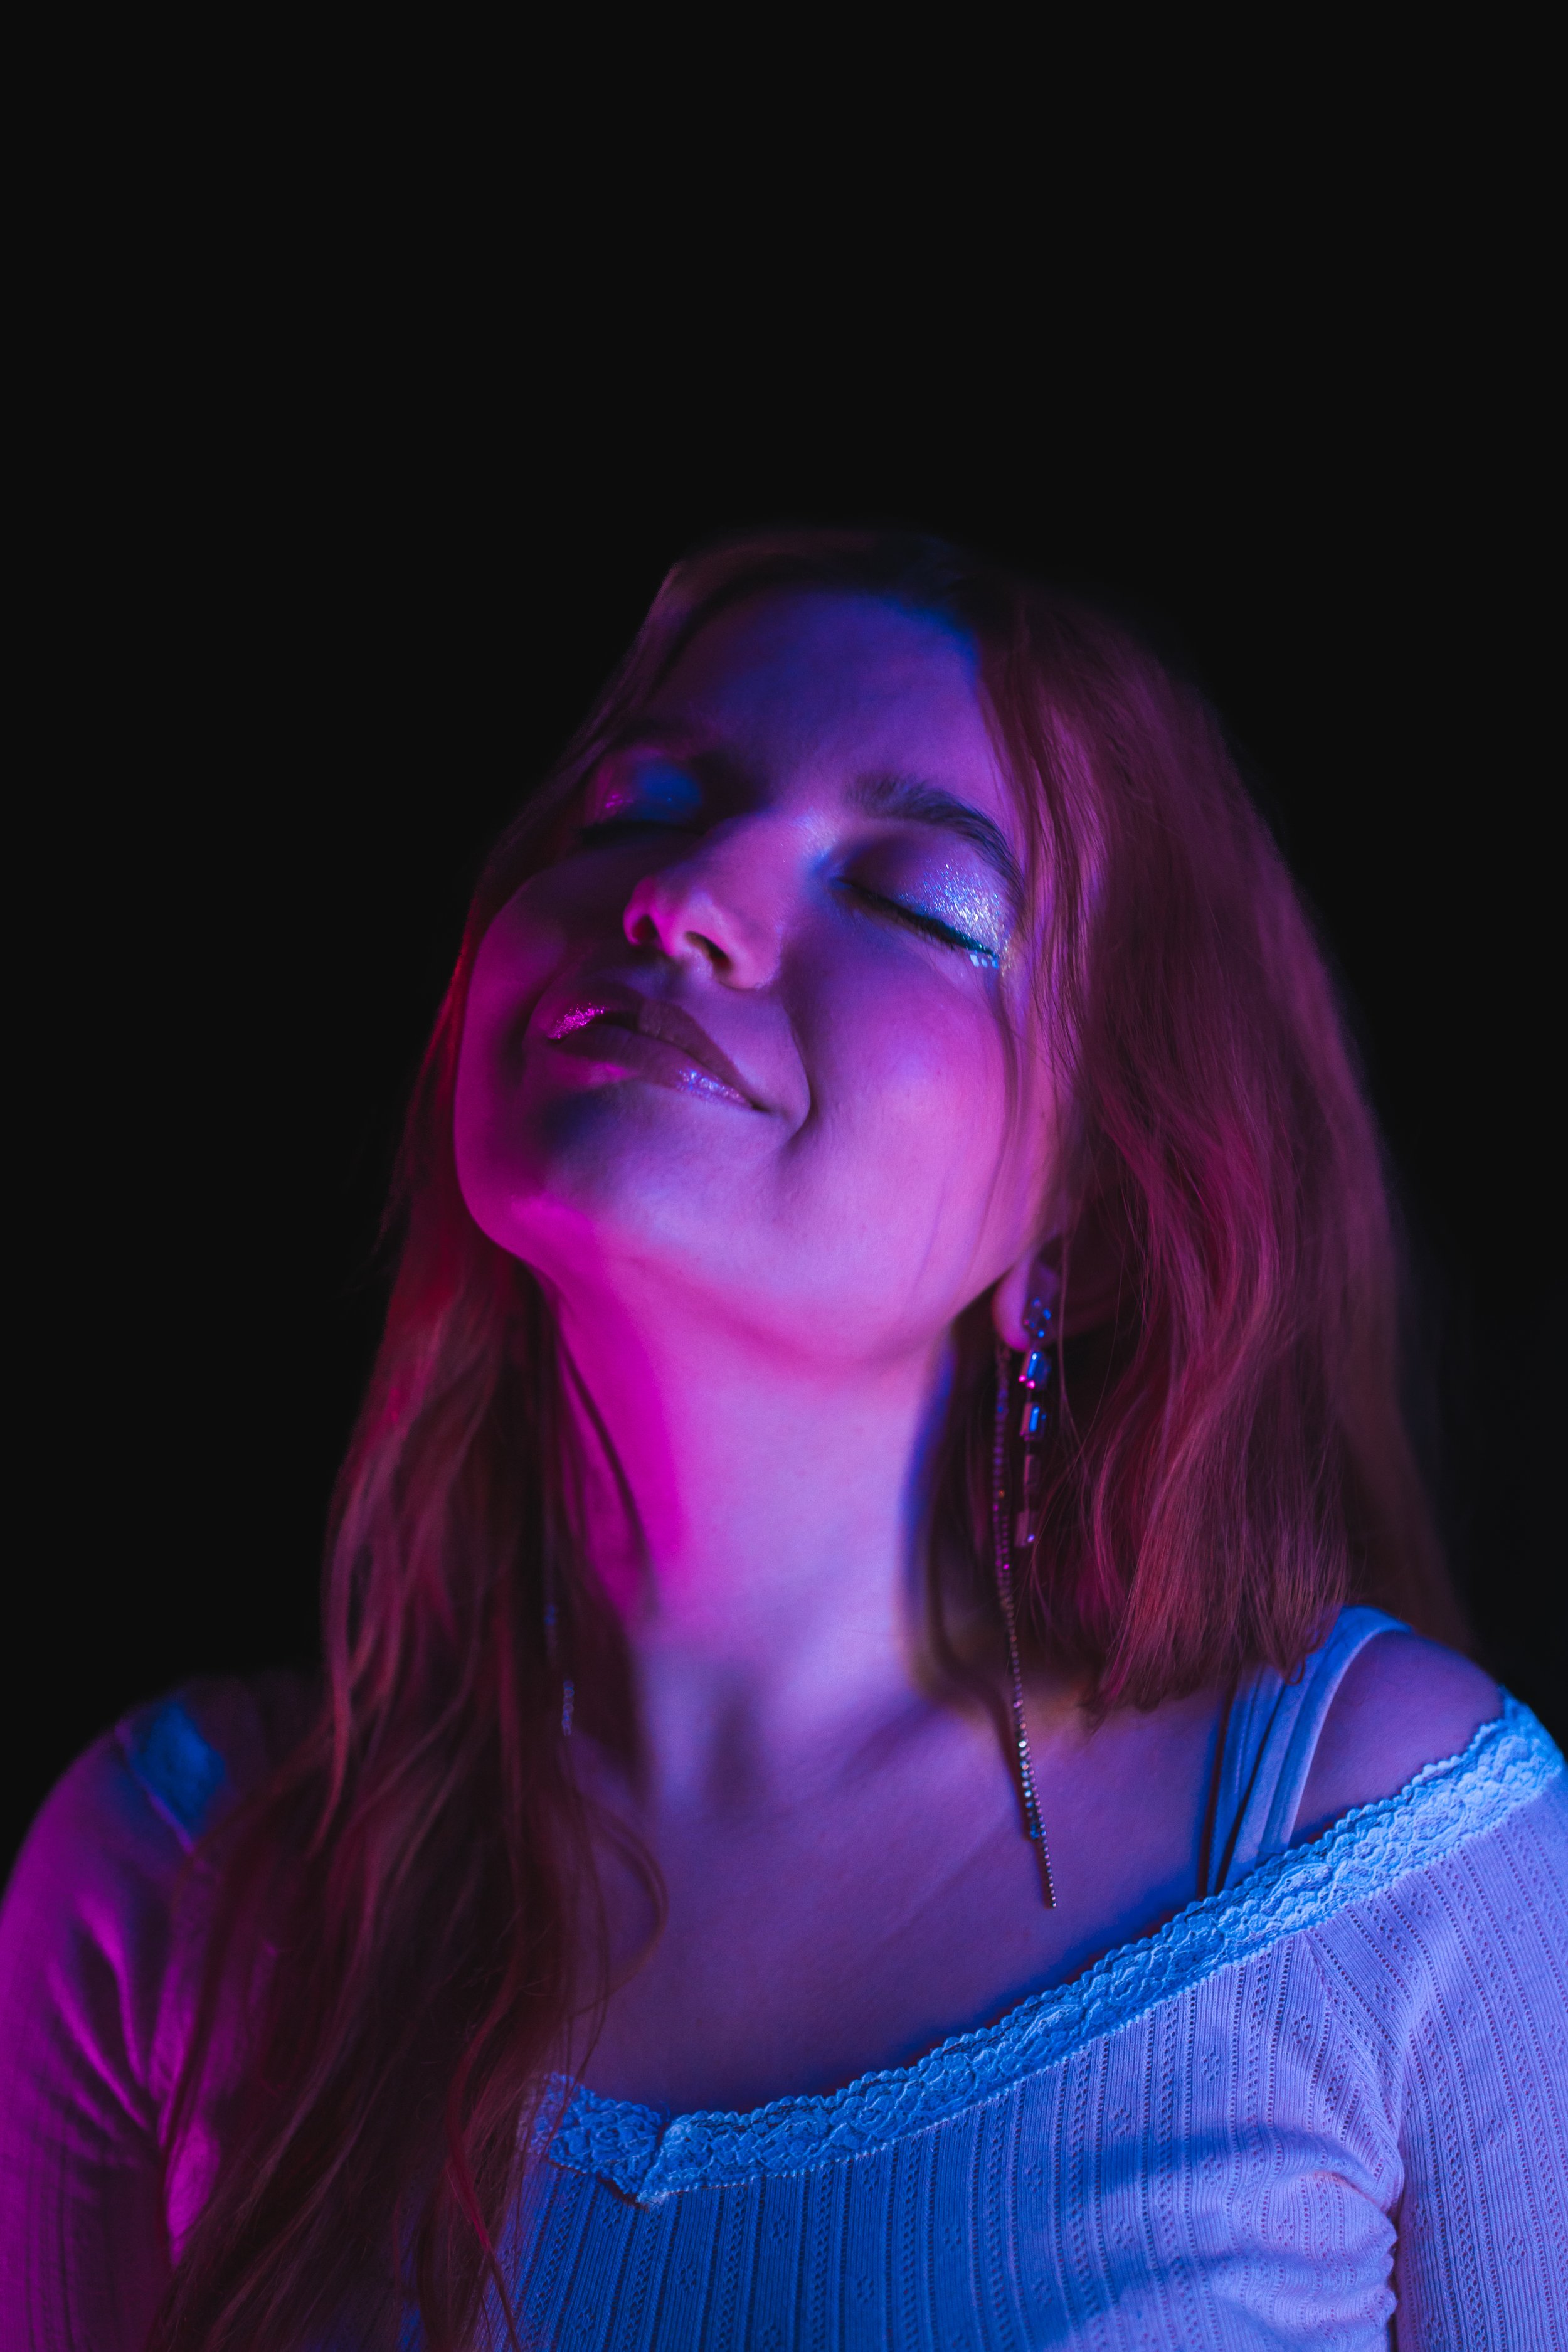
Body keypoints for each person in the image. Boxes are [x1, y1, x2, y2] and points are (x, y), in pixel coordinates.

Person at [2, 531, 1564, 2351]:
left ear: (1082, 1198)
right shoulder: (172, 1878)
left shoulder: (1379, 1857)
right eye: (635, 804)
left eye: (910, 898)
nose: (676, 900)